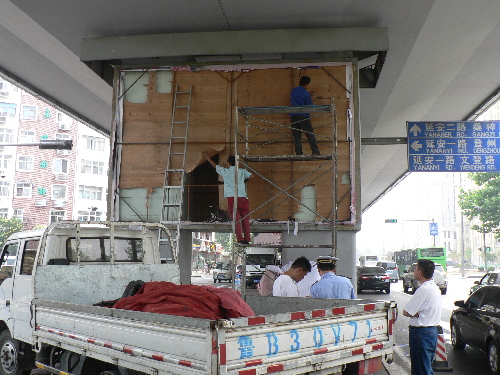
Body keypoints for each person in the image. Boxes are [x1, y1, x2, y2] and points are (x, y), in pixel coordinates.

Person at [203, 152, 253, 244]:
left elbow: (215, 166)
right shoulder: (242, 171)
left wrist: (207, 158)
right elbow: (251, 176)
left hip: (232, 198)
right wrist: (244, 180)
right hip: (243, 198)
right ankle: (247, 239)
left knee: (236, 220)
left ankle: (240, 239)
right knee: (245, 220)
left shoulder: (226, 171)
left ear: (229, 163)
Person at [403, 259, 442, 375]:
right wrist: (420, 313)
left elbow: (406, 311)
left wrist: (418, 313)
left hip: (421, 333)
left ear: (420, 273)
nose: (414, 271)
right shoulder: (434, 287)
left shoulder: (423, 290)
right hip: (430, 332)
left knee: (421, 370)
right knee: (425, 367)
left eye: (415, 269)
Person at [290, 76, 320, 156]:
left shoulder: (293, 91)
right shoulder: (305, 93)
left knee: (296, 136)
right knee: (309, 134)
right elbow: (310, 106)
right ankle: (315, 152)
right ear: (306, 85)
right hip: (303, 116)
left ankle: (299, 153)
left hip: (293, 116)